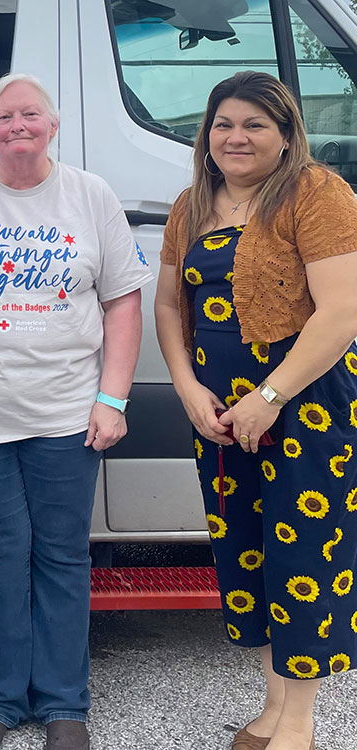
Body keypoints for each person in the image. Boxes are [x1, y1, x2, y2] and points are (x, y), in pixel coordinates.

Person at [0, 73, 153, 750]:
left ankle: (64, 706)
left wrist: (112, 398)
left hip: (66, 412)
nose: (18, 126)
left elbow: (121, 300)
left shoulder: (91, 195)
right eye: (4, 117)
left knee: (60, 556)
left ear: (52, 125)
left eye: (31, 114)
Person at [154, 70, 357, 750]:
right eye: (223, 124)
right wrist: (187, 388)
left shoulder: (315, 193)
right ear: (206, 135)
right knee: (250, 554)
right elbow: (165, 305)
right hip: (218, 418)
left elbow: (341, 313)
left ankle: (298, 725)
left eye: (254, 125)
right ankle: (272, 708)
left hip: (304, 408)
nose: (236, 137)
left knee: (304, 559)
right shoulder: (191, 204)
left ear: (286, 134)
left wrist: (269, 397)